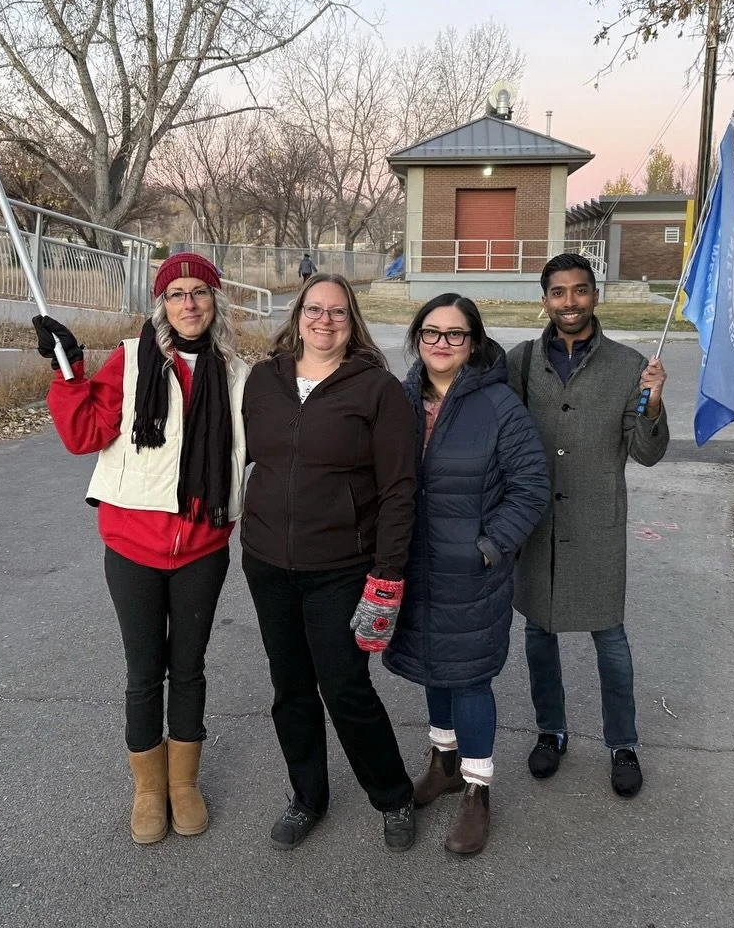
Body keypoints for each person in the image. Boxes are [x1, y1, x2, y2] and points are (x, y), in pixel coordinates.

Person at [35, 251, 249, 845]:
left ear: (215, 301)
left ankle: (184, 784)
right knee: (143, 671)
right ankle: (150, 789)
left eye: (199, 293)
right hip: (133, 546)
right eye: (177, 293)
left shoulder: (238, 373)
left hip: (204, 545)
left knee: (189, 668)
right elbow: (84, 435)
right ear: (162, 305)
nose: (189, 304)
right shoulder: (129, 363)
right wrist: (68, 372)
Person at [241, 272, 420, 851]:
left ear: (352, 322)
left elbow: (399, 489)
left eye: (337, 312)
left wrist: (387, 575)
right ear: (297, 317)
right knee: (289, 686)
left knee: (344, 687)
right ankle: (307, 798)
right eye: (314, 310)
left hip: (341, 566)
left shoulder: (376, 390)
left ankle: (393, 796)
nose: (325, 320)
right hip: (268, 562)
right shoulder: (263, 382)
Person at [385, 294, 548, 855]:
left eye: (455, 334)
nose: (442, 344)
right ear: (417, 338)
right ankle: (444, 760)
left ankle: (478, 791)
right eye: (431, 333)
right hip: (415, 563)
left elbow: (531, 486)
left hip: (471, 570)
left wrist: (490, 546)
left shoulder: (499, 405)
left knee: (470, 676)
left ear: (474, 343)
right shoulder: (401, 398)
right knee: (434, 664)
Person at [506, 253, 669, 799]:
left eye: (579, 291)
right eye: (558, 292)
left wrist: (651, 405)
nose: (569, 303)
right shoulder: (522, 360)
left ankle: (622, 743)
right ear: (545, 298)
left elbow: (647, 454)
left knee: (610, 637)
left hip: (597, 522)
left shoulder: (628, 367)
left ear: (594, 295)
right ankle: (551, 732)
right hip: (536, 524)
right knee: (538, 633)